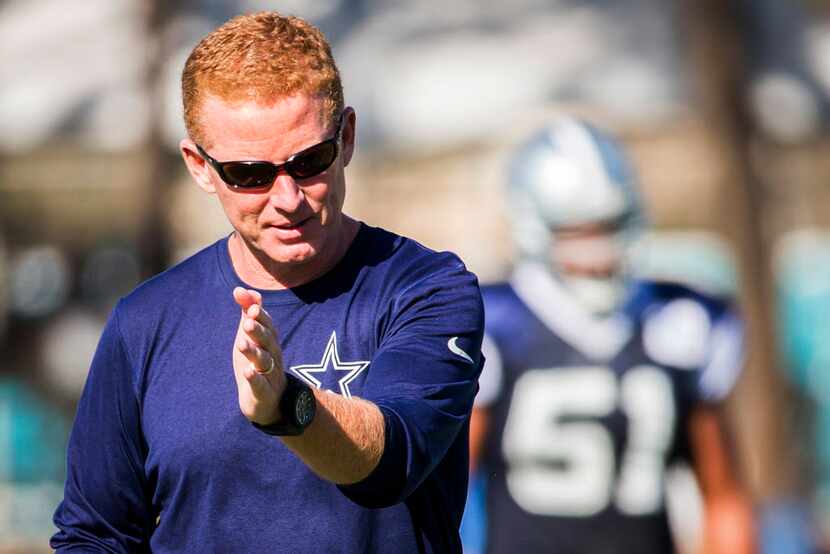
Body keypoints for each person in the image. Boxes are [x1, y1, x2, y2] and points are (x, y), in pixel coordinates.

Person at [51, 12, 484, 553]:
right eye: (251, 174)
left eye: (309, 162)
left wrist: (288, 406)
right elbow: (95, 535)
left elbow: (391, 463)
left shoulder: (427, 288)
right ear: (200, 167)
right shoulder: (144, 322)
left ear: (346, 138)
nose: (287, 198)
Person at [468, 117, 756, 554]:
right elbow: (444, 490)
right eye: (578, 232)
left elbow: (723, 498)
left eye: (610, 227)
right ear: (534, 227)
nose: (599, 254)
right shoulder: (495, 324)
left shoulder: (680, 321)